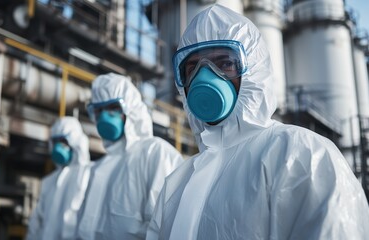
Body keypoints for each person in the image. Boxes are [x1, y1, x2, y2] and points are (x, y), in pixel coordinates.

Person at [147, 4, 369, 240]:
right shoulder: (176, 184)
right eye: (193, 68)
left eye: (224, 64)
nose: (205, 76)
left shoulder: (300, 154)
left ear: (253, 70)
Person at [77, 73, 183, 240]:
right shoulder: (97, 169)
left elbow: (170, 229)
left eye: (112, 107)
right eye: (98, 110)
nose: (104, 116)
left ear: (131, 109)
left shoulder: (155, 154)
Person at [26, 117, 91, 240]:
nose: (58, 146)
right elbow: (37, 222)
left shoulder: (89, 174)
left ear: (76, 143)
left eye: (63, 141)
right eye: (55, 142)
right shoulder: (49, 182)